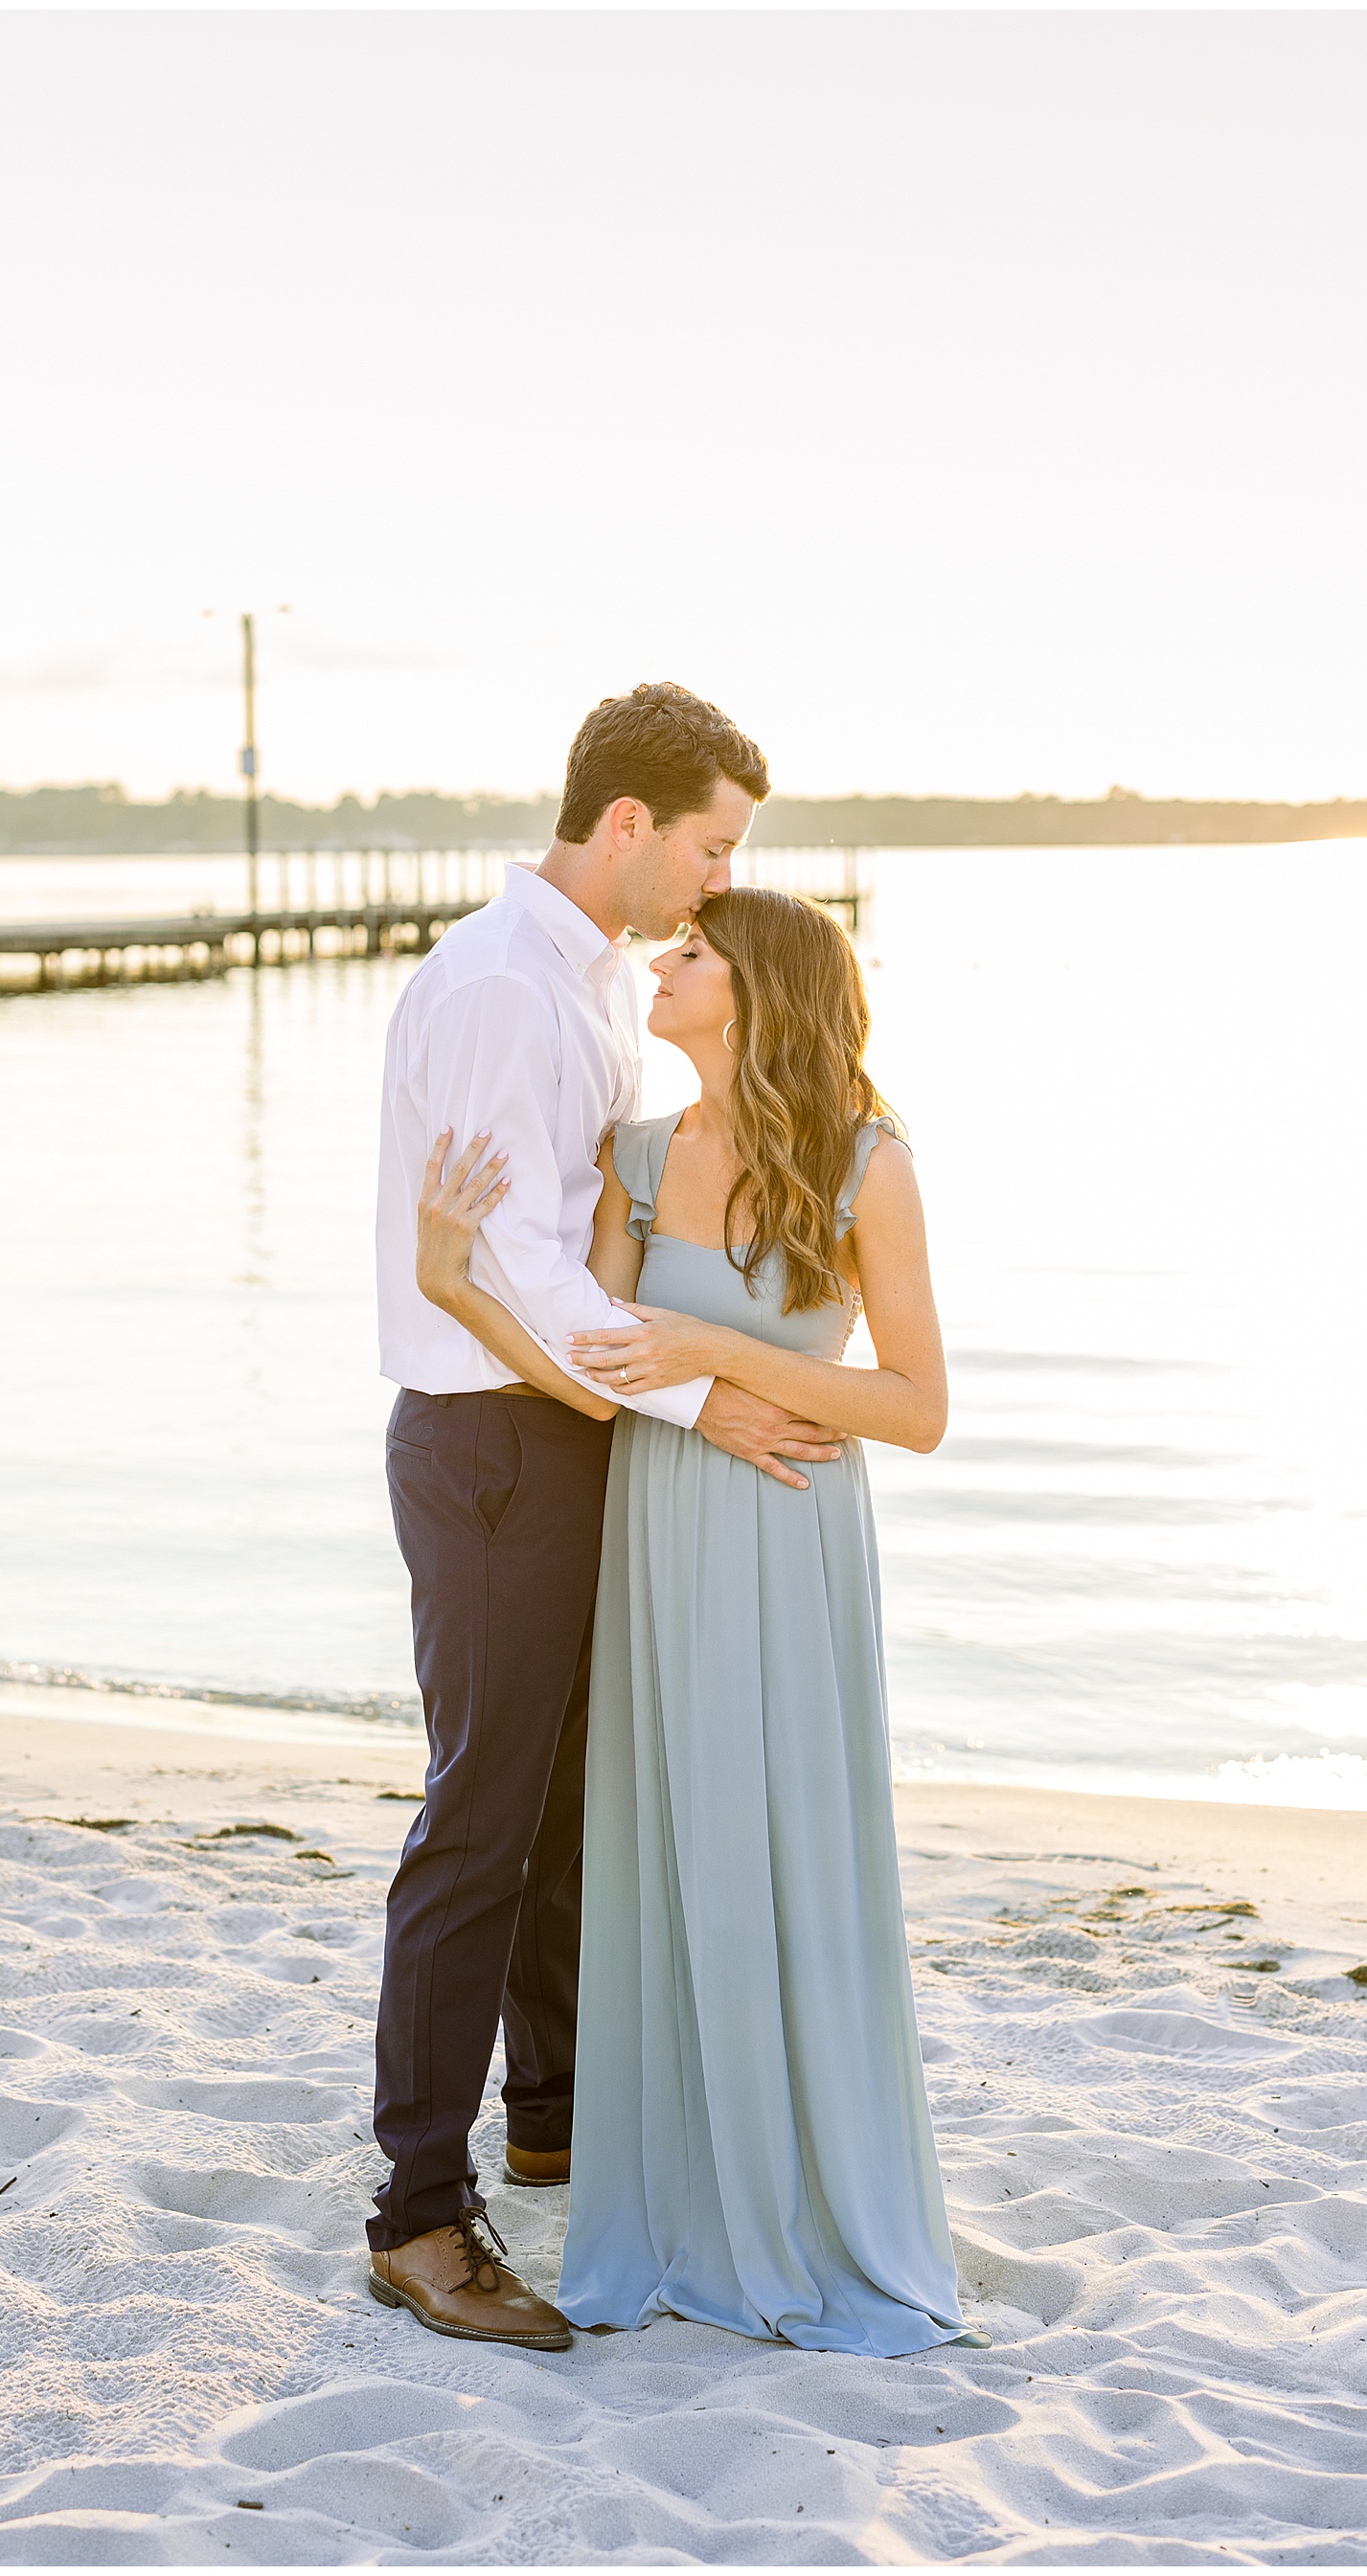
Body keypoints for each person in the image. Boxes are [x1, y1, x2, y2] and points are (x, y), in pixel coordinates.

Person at [417, 884, 988, 2357]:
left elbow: (917, 1408)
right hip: (656, 1527)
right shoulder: (640, 1155)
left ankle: (804, 2189)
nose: (660, 960)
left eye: (693, 952)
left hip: (788, 1537)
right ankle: (675, 2179)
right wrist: (450, 1281)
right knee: (666, 1854)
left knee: (779, 1850)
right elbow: (594, 1358)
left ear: (755, 990)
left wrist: (728, 1356)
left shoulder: (873, 1162)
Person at [370, 684, 848, 2352]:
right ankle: (419, 2215)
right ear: (631, 824)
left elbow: (594, 1238)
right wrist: (704, 1396)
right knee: (484, 1815)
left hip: (563, 1432)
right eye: (714, 844)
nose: (719, 882)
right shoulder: (506, 989)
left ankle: (552, 2112)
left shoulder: (582, 983)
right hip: (496, 1438)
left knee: (568, 1801)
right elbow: (519, 1270)